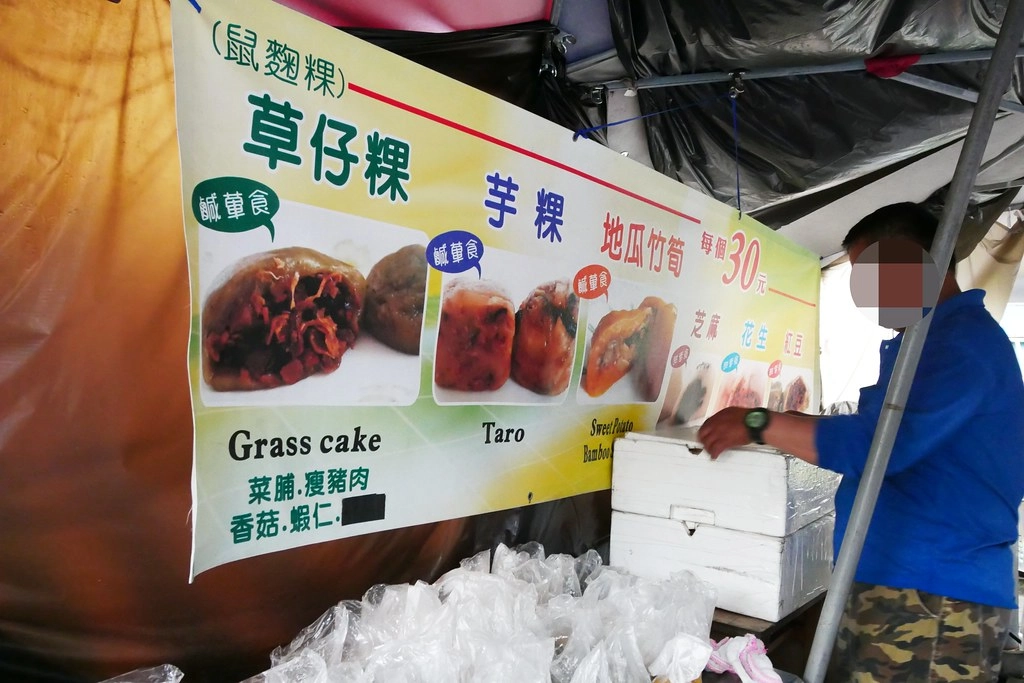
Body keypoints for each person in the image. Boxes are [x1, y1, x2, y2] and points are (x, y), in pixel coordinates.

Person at [698, 202, 1024, 682]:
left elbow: (876, 447)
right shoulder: (929, 339)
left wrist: (758, 422)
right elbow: (882, 428)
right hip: (900, 583)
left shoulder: (959, 346)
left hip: (933, 597)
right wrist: (793, 422)